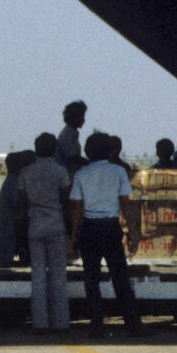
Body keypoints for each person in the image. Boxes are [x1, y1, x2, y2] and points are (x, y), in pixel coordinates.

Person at [68, 131, 147, 338]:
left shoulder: (81, 174)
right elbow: (126, 205)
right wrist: (133, 232)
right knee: (120, 277)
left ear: (87, 152)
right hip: (111, 228)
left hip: (89, 228)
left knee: (91, 279)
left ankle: (97, 326)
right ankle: (133, 325)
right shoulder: (118, 172)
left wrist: (73, 235)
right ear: (111, 151)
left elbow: (76, 208)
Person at [19, 132, 72, 333]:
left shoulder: (26, 172)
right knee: (58, 274)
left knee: (38, 275)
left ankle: (40, 322)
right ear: (54, 149)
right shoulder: (60, 171)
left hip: (35, 223)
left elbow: (22, 203)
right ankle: (61, 322)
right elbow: (66, 200)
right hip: (55, 222)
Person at [0, 150, 33, 265]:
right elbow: (21, 204)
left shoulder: (12, 181)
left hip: (8, 232)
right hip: (7, 233)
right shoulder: (14, 183)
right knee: (6, 267)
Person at [56, 100, 88, 173]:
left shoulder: (72, 133)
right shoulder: (66, 135)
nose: (83, 120)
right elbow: (73, 157)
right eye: (82, 116)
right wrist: (92, 164)